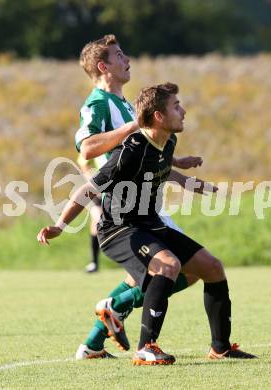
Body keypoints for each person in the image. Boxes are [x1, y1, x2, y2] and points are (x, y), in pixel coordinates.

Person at [38, 82, 257, 365]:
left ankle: (221, 347)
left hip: (150, 224)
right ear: (158, 116)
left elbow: (164, 170)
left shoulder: (168, 141)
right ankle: (146, 347)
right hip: (119, 229)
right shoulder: (130, 151)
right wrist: (59, 225)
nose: (183, 110)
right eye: (176, 106)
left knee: (212, 267)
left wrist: (197, 184)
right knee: (168, 265)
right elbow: (88, 189)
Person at [73, 34, 204, 358]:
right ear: (104, 67)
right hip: (127, 206)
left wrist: (174, 164)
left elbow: (141, 148)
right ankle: (115, 308)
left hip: (146, 203)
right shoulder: (97, 103)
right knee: (189, 269)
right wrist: (132, 126)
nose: (127, 58)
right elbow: (87, 147)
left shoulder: (122, 103)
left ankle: (91, 345)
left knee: (143, 277)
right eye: (119, 55)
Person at [77, 155, 102, 273]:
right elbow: (84, 165)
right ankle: (94, 262)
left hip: (115, 188)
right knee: (97, 221)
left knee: (95, 225)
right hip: (96, 188)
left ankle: (94, 262)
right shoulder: (93, 143)